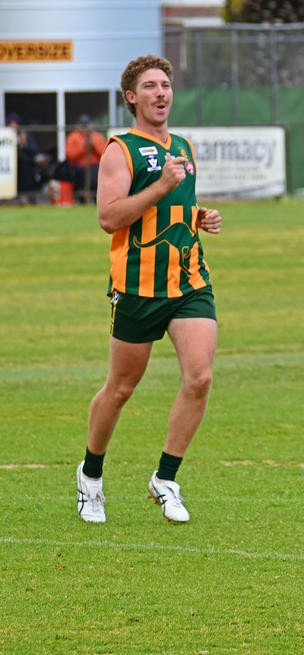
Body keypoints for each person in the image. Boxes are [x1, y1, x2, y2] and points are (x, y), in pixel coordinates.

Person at [76, 54, 223, 525]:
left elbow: (178, 208)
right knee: (121, 388)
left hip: (189, 281)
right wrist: (160, 186)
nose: (162, 93)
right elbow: (109, 218)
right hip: (138, 288)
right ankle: (91, 476)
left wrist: (201, 217)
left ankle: (166, 479)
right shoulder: (120, 150)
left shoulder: (183, 145)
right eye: (151, 86)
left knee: (199, 377)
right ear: (131, 98)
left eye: (166, 85)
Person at [65, 114, 106, 199]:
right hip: (79, 168)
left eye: (86, 124)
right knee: (79, 175)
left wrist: (93, 145)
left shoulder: (97, 137)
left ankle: (96, 198)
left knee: (96, 175)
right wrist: (84, 146)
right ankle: (82, 198)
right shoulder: (73, 137)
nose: (85, 127)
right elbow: (70, 156)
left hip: (95, 168)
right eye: (82, 124)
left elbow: (104, 155)